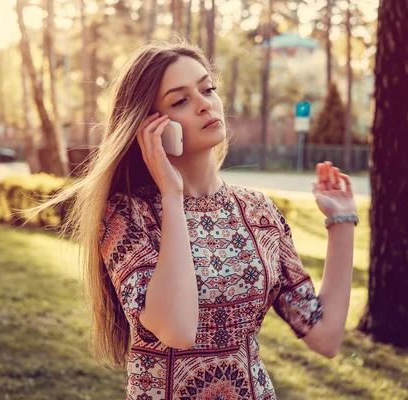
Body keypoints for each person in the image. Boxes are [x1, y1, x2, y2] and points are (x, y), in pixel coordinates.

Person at [38, 39, 357, 400]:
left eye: (207, 89)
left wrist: (341, 220)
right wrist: (172, 197)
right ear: (150, 128)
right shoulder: (127, 218)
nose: (206, 104)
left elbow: (325, 336)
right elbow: (177, 330)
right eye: (181, 100)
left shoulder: (259, 212)